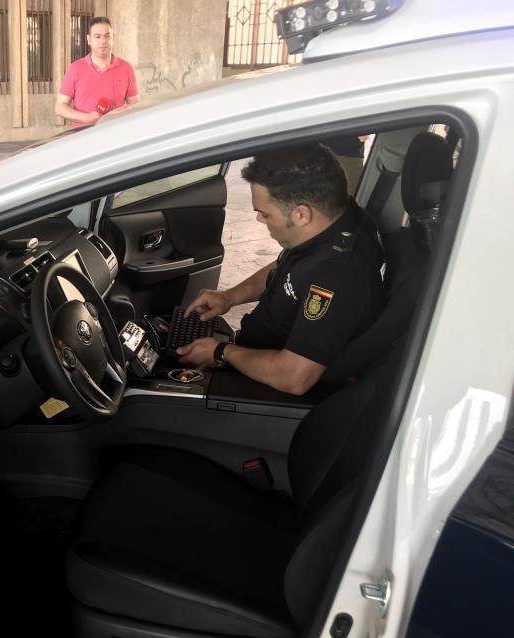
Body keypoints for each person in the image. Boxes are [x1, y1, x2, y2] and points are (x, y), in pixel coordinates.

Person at [177, 144, 385, 395]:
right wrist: (228, 297)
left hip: (269, 390)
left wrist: (221, 352)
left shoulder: (338, 274)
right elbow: (285, 269)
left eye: (264, 213)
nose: (259, 220)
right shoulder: (335, 220)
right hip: (252, 355)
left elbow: (294, 377)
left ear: (301, 214)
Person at [55, 16, 139, 128]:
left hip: (116, 134)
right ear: (89, 40)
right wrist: (89, 118)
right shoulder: (75, 69)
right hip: (82, 136)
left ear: (113, 38)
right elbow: (60, 107)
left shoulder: (126, 68)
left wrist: (121, 115)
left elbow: (135, 106)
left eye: (107, 36)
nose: (103, 41)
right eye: (97, 37)